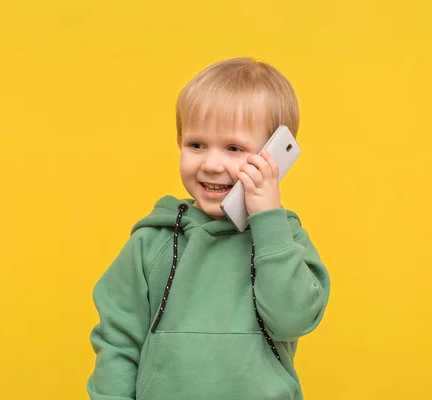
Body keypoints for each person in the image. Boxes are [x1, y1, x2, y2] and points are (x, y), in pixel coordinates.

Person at [87, 57, 331, 400]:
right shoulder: (151, 242)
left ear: (273, 157)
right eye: (196, 145)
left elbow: (292, 320)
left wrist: (268, 222)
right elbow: (118, 339)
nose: (211, 164)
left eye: (234, 148)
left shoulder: (284, 240)